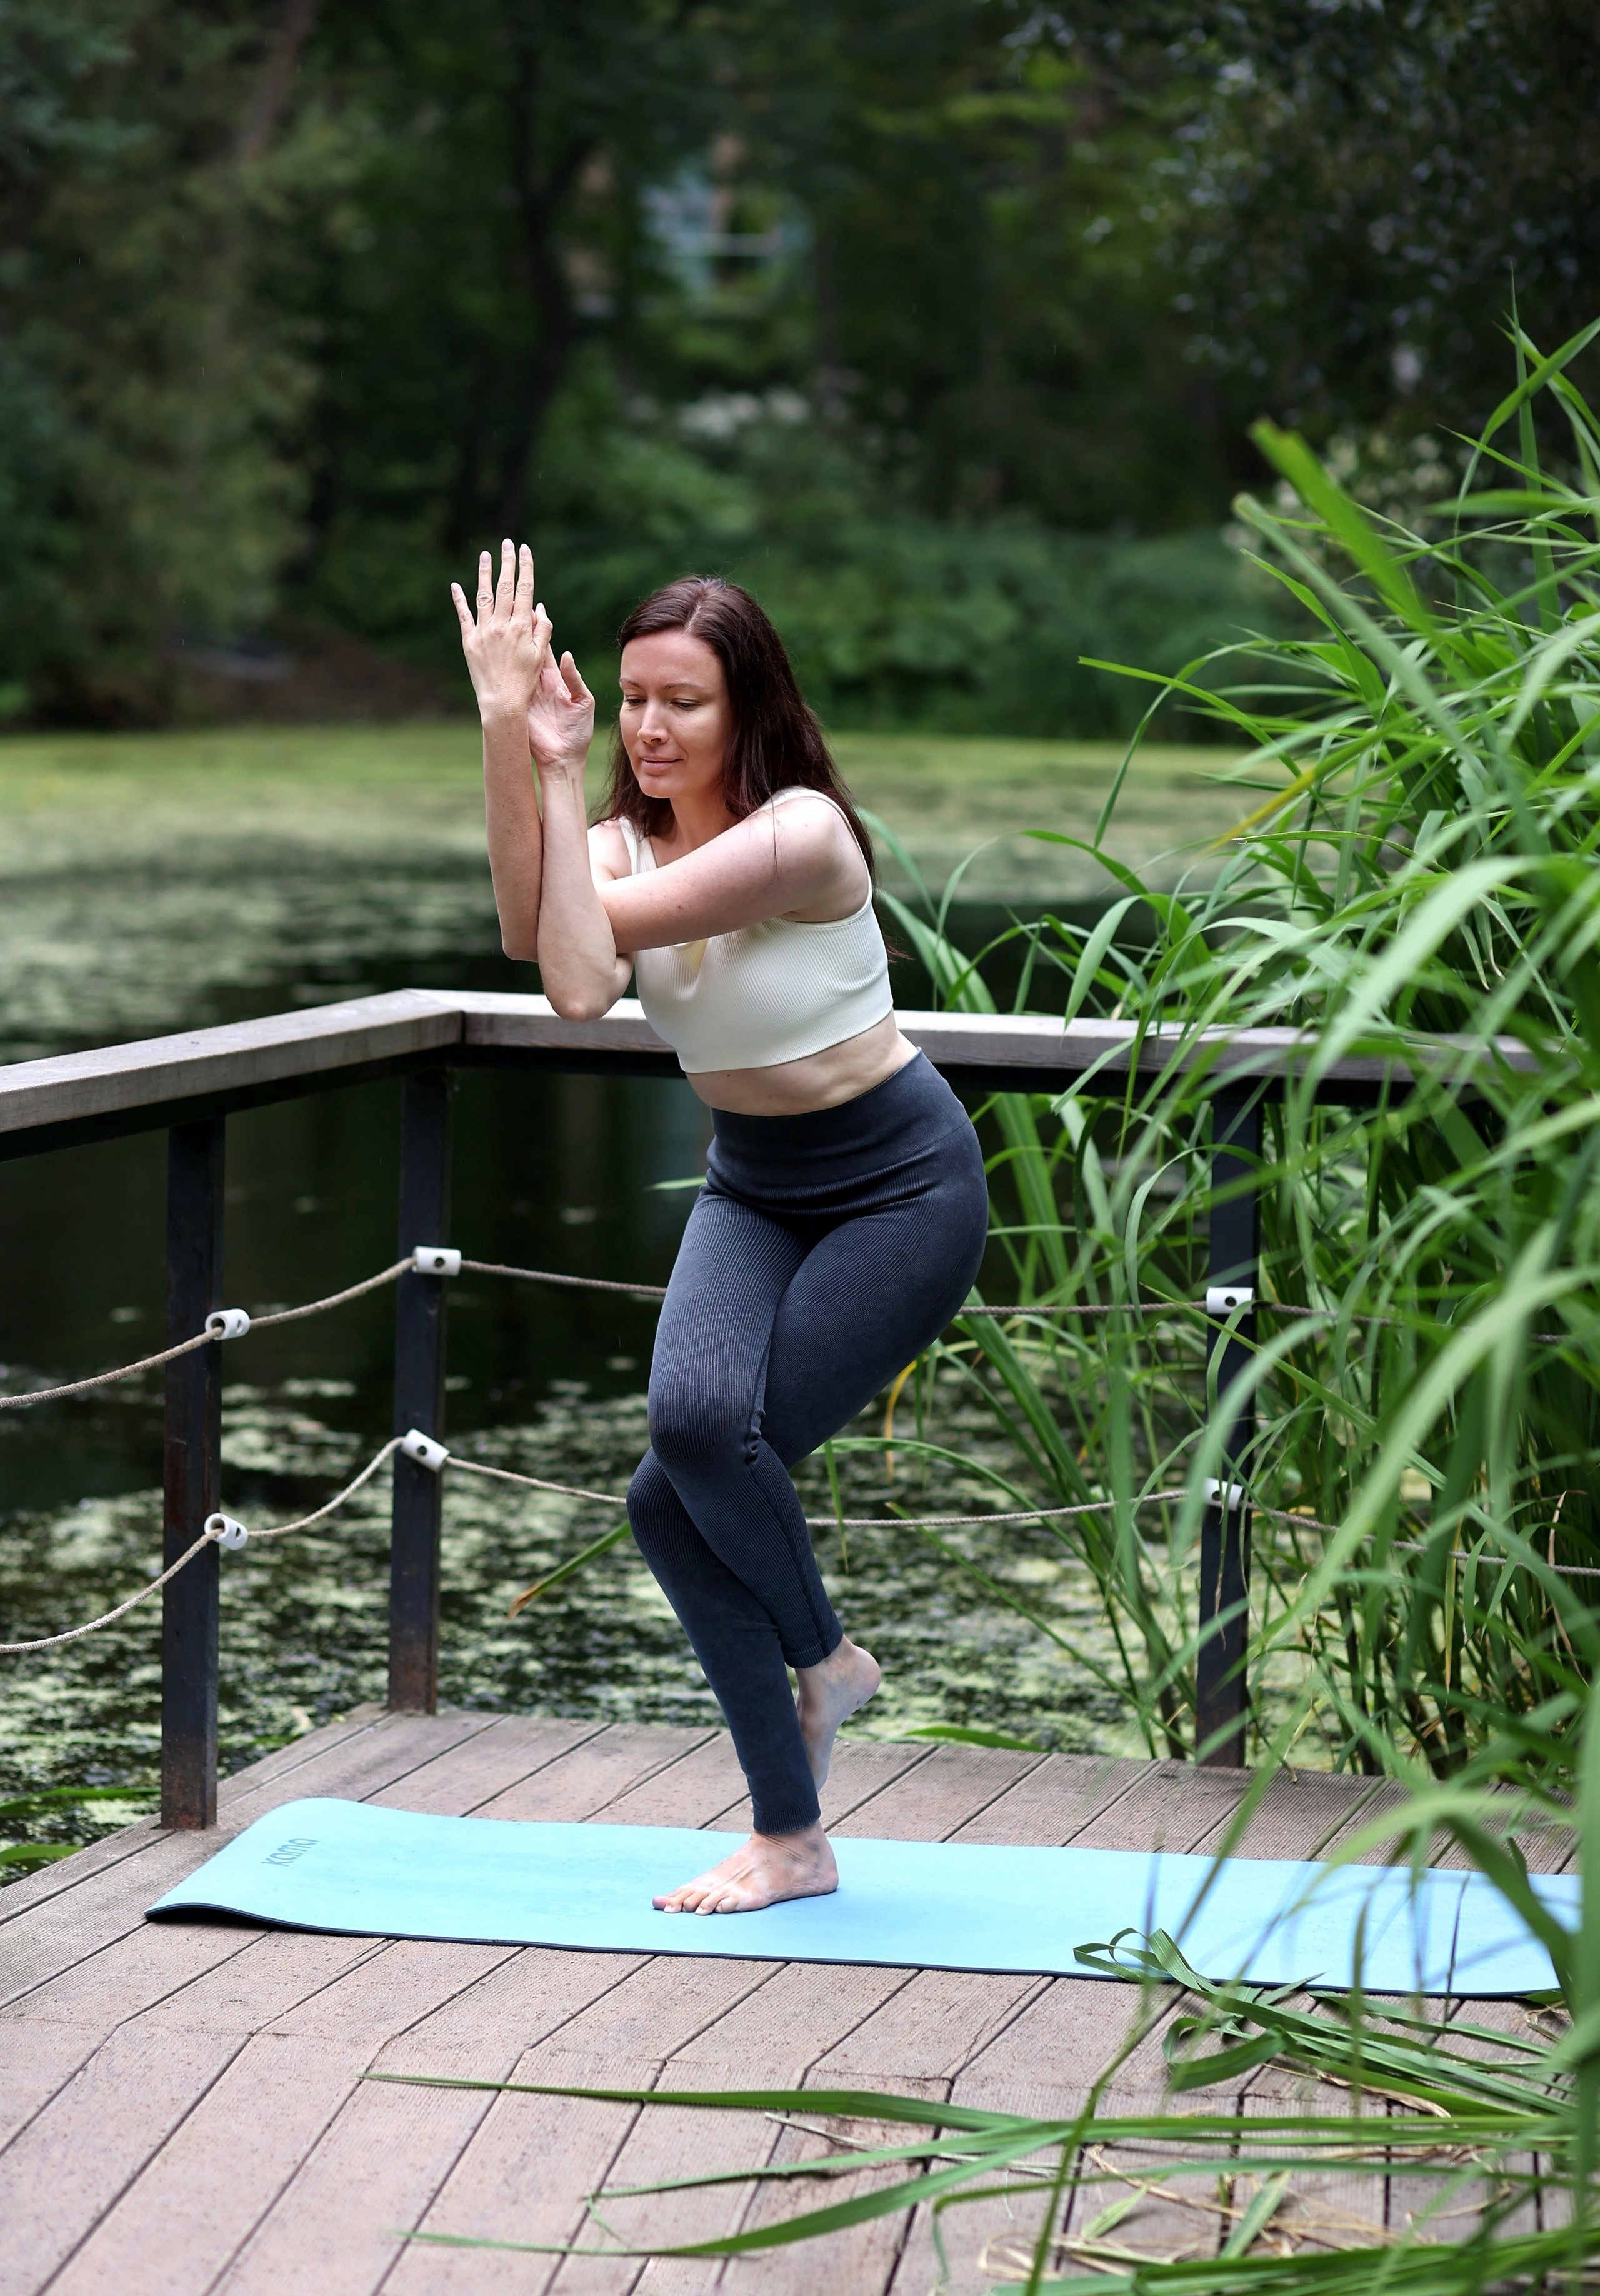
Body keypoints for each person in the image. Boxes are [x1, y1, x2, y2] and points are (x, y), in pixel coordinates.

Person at [452, 541, 989, 1913]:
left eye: (680, 700)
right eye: (629, 696)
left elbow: (576, 940)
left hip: (897, 1185)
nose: (645, 725)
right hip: (753, 1178)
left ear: (748, 706)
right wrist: (505, 731)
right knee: (680, 1462)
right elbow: (555, 958)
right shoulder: (618, 835)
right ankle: (798, 1813)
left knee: (684, 1466)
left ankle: (812, 1705)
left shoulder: (798, 833)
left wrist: (555, 780)